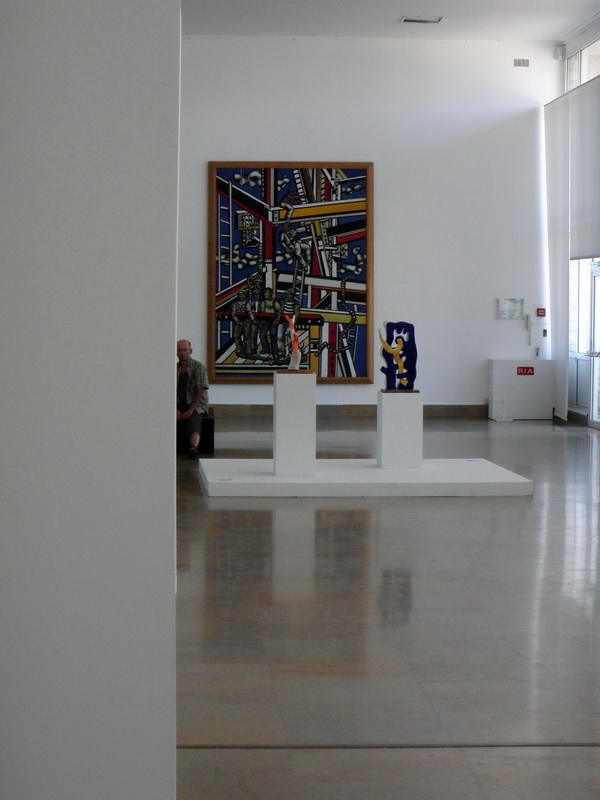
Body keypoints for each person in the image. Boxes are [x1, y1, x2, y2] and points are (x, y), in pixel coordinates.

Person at [176, 340, 209, 458]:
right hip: (179, 402)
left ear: (190, 351)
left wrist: (191, 409)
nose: (182, 353)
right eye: (179, 350)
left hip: (196, 404)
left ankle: (193, 447)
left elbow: (201, 389)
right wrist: (175, 409)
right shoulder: (174, 368)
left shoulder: (198, 367)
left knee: (193, 422)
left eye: (185, 350)